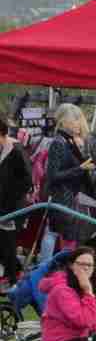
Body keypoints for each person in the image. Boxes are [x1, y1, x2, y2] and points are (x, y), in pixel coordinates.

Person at [43, 103, 96, 249]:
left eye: (79, 119)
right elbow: (53, 175)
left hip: (70, 200)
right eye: (75, 119)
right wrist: (80, 168)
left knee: (67, 239)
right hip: (62, 200)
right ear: (64, 121)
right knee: (58, 237)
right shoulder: (58, 142)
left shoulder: (69, 141)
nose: (79, 124)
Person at [0, 117, 33, 287]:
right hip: (3, 205)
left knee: (8, 242)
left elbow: (28, 179)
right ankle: (11, 272)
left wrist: (10, 196)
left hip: (13, 207)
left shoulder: (16, 150)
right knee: (3, 242)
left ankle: (13, 277)